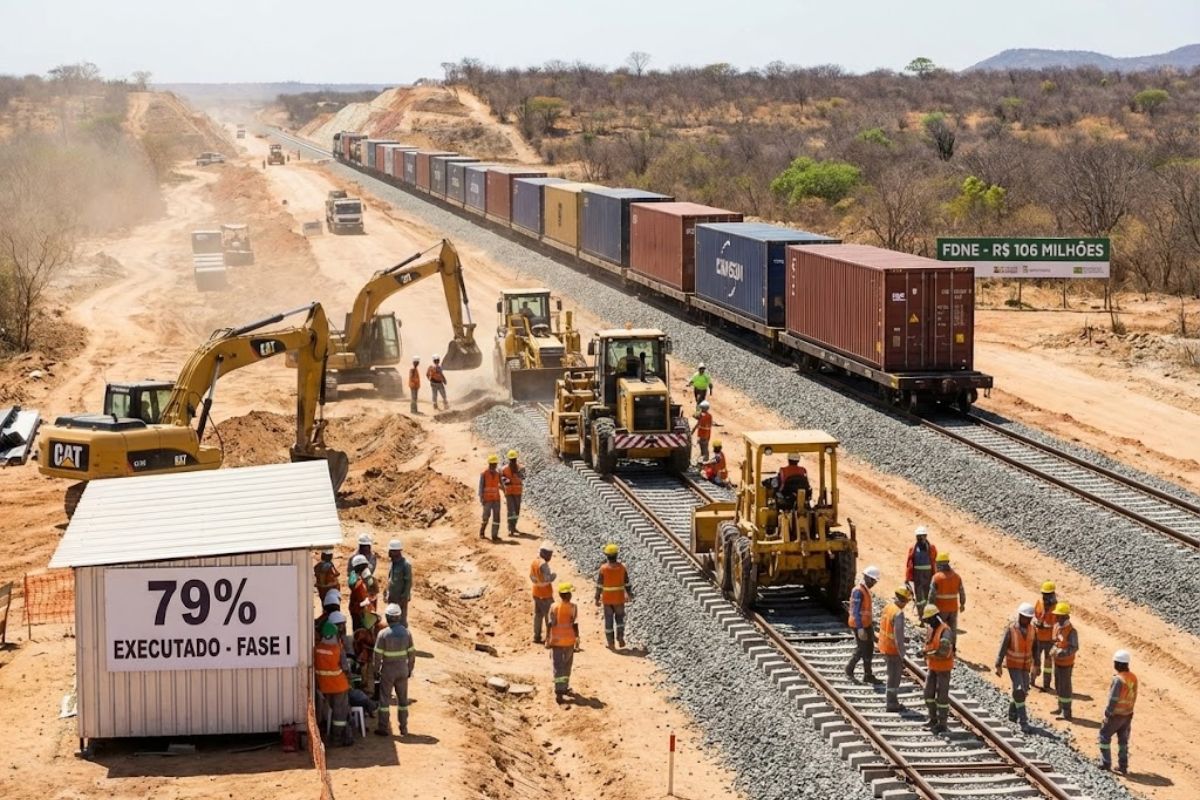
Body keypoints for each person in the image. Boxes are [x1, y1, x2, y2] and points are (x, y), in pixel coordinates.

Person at [373, 603, 417, 737]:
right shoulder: (407, 633)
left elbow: (377, 655)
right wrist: (409, 669)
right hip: (402, 670)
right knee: (403, 701)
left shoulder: (383, 634)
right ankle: (403, 728)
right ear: (399, 617)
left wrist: (376, 670)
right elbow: (412, 654)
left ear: (387, 617)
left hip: (388, 671)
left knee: (384, 700)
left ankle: (383, 727)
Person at [994, 602, 1036, 733]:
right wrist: (998, 664)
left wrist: (1037, 665)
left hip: (1025, 666)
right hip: (1013, 665)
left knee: (1024, 690)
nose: (1026, 620)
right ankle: (1023, 722)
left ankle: (1012, 713)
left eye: (1028, 618)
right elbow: (1003, 647)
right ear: (1020, 616)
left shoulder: (1032, 630)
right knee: (1019, 690)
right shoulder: (1011, 629)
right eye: (1024, 617)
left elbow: (1036, 648)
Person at [314, 621, 353, 746]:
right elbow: (345, 668)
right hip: (339, 686)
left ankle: (327, 733)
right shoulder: (338, 649)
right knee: (339, 713)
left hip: (324, 687)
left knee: (328, 711)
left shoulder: (316, 649)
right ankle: (337, 738)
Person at [1099, 649, 1137, 774]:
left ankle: (1105, 763)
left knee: (1104, 736)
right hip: (1128, 714)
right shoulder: (1133, 677)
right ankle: (1123, 766)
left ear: (1118, 664)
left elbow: (1113, 698)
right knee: (1123, 741)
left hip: (1116, 714)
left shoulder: (1118, 679)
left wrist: (1108, 712)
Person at [845, 565, 881, 683]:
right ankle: (850, 670)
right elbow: (856, 611)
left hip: (866, 624)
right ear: (868, 578)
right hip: (858, 625)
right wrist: (860, 629)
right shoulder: (858, 591)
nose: (874, 583)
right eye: (873, 581)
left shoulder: (865, 590)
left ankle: (867, 675)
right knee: (862, 648)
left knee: (868, 648)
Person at [922, 605, 955, 733]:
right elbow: (929, 645)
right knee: (928, 693)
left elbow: (943, 652)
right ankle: (933, 719)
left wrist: (926, 654)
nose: (928, 622)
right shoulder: (931, 629)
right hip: (933, 667)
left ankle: (942, 723)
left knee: (942, 697)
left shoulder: (945, 631)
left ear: (935, 617)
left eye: (929, 619)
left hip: (943, 669)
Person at [594, 543, 634, 649]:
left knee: (609, 621)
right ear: (617, 555)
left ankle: (611, 643)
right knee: (620, 619)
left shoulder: (603, 569)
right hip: (619, 599)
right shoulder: (622, 568)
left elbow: (599, 585)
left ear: (606, 556)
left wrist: (597, 598)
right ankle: (620, 638)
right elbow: (627, 583)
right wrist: (630, 594)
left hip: (607, 600)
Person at [879, 586, 912, 711]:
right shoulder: (898, 613)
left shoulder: (888, 607)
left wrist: (904, 638)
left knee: (891, 674)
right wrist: (902, 654)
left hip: (885, 645)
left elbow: (889, 628)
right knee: (894, 676)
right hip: (893, 650)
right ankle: (891, 703)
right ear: (904, 600)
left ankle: (892, 701)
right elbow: (897, 637)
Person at [547, 582, 579, 703]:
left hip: (556, 641)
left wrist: (547, 639)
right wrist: (577, 638)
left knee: (557, 666)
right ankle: (564, 688)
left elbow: (550, 623)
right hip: (569, 641)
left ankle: (559, 691)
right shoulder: (573, 607)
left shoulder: (553, 606)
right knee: (566, 666)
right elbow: (575, 624)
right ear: (569, 595)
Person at [1050, 602, 1078, 720]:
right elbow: (1055, 641)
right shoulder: (1057, 626)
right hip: (1057, 662)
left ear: (1066, 616)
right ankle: (1060, 707)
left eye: (1059, 616)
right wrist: (1054, 649)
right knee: (1058, 685)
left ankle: (1067, 712)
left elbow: (1074, 647)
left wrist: (1063, 653)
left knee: (1065, 687)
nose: (1057, 618)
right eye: (1057, 616)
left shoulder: (1071, 631)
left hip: (1066, 663)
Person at [905, 527, 938, 617]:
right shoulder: (913, 548)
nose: (920, 538)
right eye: (918, 536)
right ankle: (921, 615)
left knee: (928, 594)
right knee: (919, 596)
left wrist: (935, 575)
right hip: (917, 575)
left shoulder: (931, 547)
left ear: (926, 536)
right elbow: (909, 563)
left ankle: (929, 614)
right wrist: (908, 577)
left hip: (928, 575)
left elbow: (934, 561)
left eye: (922, 536)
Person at [1033, 581, 1060, 692]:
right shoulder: (1039, 603)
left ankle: (1046, 685)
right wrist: (1037, 623)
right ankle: (1031, 681)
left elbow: (1058, 624)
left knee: (1048, 664)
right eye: (1045, 594)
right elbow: (1035, 616)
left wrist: (1047, 626)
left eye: (1048, 594)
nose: (1046, 597)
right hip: (1038, 638)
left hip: (1050, 640)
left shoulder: (1056, 608)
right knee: (1035, 661)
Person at [930, 552, 966, 634]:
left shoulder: (936, 578)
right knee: (952, 630)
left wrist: (930, 607)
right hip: (953, 608)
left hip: (941, 608)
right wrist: (962, 604)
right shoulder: (956, 577)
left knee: (940, 630)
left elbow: (931, 595)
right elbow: (962, 592)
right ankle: (952, 642)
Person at [530, 543, 557, 644]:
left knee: (538, 615)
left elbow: (532, 577)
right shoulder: (543, 565)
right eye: (550, 554)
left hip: (536, 593)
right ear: (545, 554)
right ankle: (549, 639)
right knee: (549, 617)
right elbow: (547, 578)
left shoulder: (534, 562)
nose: (550, 557)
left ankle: (536, 637)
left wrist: (539, 583)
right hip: (545, 595)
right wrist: (553, 576)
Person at [385, 539, 412, 626]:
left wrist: (404, 597)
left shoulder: (405, 565)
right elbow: (390, 578)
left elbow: (408, 582)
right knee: (391, 617)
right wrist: (387, 592)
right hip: (392, 596)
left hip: (400, 598)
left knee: (401, 619)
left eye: (391, 551)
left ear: (397, 551)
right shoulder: (393, 563)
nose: (389, 553)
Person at [348, 555, 377, 631]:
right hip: (358, 611)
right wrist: (363, 604)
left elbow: (373, 593)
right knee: (359, 629)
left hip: (365, 612)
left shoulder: (367, 579)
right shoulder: (356, 582)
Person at [500, 449, 525, 535]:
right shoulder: (504, 469)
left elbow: (523, 477)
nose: (513, 461)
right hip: (509, 492)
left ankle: (513, 527)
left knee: (516, 510)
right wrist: (506, 480)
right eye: (511, 460)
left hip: (517, 492)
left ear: (516, 459)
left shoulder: (521, 468)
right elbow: (501, 478)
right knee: (511, 510)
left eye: (514, 459)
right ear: (509, 460)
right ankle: (510, 528)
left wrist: (517, 473)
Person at [479, 454, 502, 541]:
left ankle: (494, 535)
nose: (494, 466)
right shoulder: (484, 474)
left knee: (496, 518)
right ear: (489, 464)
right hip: (487, 500)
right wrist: (481, 498)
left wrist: (506, 492)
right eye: (493, 464)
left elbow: (501, 484)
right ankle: (482, 532)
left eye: (495, 464)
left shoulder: (498, 474)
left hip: (496, 499)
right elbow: (481, 487)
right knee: (485, 517)